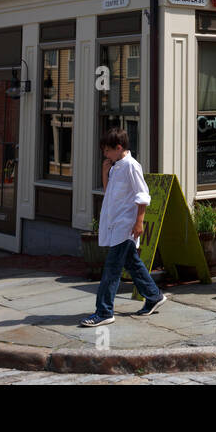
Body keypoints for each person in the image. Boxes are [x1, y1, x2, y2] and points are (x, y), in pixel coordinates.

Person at [79, 128, 168, 327]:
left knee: (111, 270)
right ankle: (154, 296)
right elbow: (108, 191)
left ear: (119, 148)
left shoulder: (131, 166)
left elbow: (143, 194)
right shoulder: (116, 165)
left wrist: (139, 222)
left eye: (107, 150)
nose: (105, 154)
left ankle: (104, 311)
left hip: (125, 226)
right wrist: (104, 171)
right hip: (116, 224)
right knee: (133, 265)